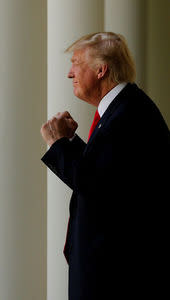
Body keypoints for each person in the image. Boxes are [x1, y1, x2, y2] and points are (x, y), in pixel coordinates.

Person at [40, 32, 170, 300]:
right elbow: (108, 174)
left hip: (114, 275)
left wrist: (58, 143)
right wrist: (71, 141)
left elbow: (93, 184)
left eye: (76, 63)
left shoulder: (128, 114)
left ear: (101, 70)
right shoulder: (125, 108)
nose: (69, 73)